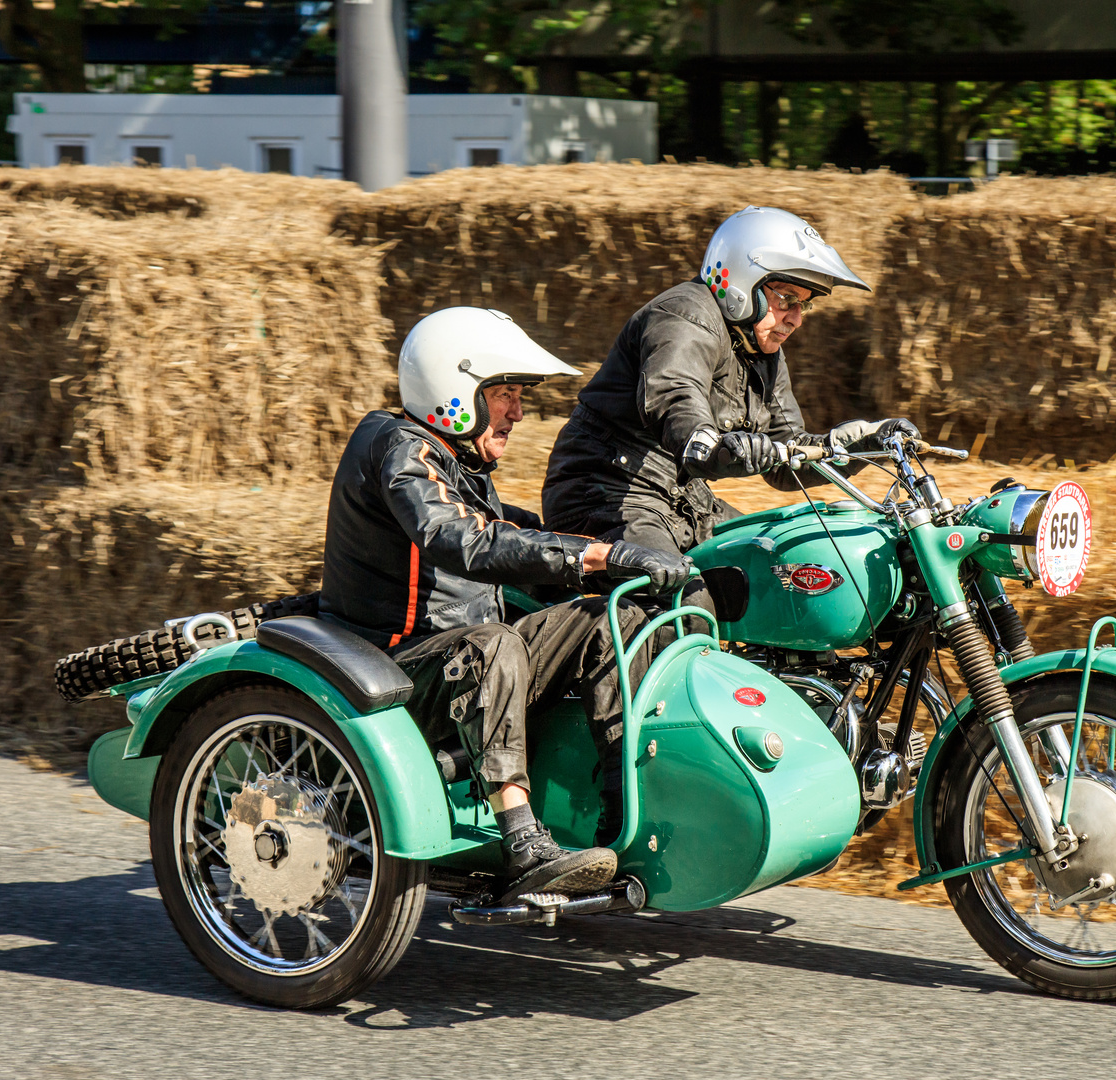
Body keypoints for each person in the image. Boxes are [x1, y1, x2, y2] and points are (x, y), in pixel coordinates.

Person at [319, 307, 694, 906]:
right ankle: (523, 844)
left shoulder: (458, 460)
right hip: (396, 672)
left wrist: (630, 555)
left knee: (610, 619)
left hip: (464, 657)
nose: (519, 412)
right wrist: (596, 556)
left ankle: (624, 821)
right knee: (494, 645)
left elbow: (511, 530)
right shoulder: (398, 449)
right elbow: (460, 537)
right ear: (455, 387)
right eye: (506, 395)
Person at [540, 206, 918, 577]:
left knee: (785, 567)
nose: (796, 318)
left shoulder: (763, 350)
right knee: (686, 597)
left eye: (805, 305)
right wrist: (711, 444)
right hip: (605, 494)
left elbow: (788, 457)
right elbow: (675, 395)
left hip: (682, 500)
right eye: (787, 299)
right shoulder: (684, 315)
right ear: (742, 281)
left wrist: (866, 442)